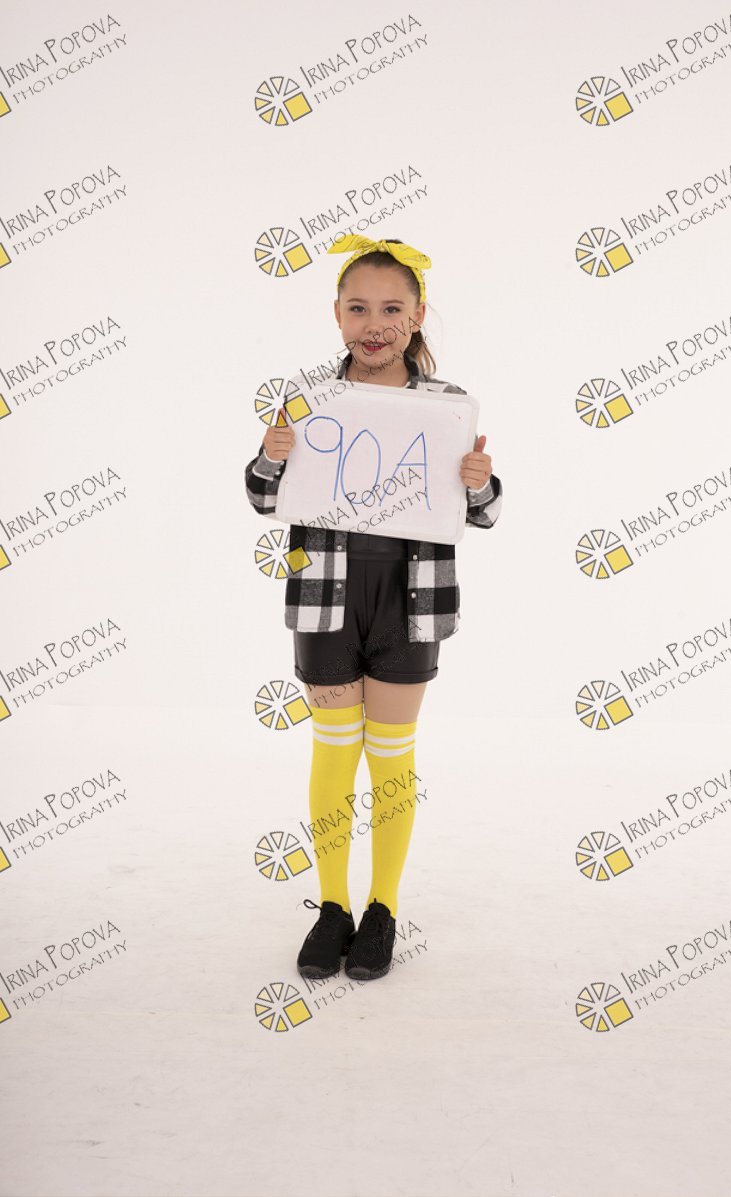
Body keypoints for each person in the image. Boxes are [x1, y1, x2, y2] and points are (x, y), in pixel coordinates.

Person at [244, 234, 502, 983]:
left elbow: (483, 512)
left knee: (391, 752)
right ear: (337, 315)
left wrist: (479, 479)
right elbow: (261, 496)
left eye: (392, 308)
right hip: (324, 595)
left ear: (416, 316)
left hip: (411, 601)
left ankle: (382, 907)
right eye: (358, 308)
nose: (375, 323)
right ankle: (333, 906)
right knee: (333, 748)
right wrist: (273, 454)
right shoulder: (308, 399)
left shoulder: (448, 406)